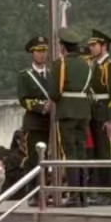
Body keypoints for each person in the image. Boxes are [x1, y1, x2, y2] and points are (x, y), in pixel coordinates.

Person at [51, 30, 93, 206]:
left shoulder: (61, 64)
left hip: (67, 112)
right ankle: (84, 195)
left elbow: (54, 92)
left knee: (69, 153)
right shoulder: (87, 64)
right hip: (83, 112)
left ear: (63, 47)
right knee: (81, 152)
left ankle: (74, 194)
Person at [87, 28, 111, 205]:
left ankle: (109, 194)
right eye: (91, 45)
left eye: (94, 45)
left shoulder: (110, 65)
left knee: (107, 154)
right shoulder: (94, 65)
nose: (91, 48)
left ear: (104, 46)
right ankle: (100, 191)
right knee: (99, 155)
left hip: (106, 115)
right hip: (95, 114)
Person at [17, 37, 53, 191]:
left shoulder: (52, 74)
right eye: (38, 51)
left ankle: (45, 190)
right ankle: (33, 191)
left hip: (50, 122)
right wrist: (41, 106)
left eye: (44, 51)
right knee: (34, 158)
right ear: (32, 53)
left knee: (48, 159)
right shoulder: (25, 75)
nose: (42, 54)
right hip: (34, 122)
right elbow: (23, 99)